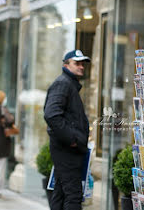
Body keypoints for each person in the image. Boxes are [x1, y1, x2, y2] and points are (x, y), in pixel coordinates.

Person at [43, 49, 90, 210]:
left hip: (67, 150)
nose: (81, 67)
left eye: (82, 63)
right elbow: (51, 115)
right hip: (66, 150)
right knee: (73, 195)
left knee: (61, 192)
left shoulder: (69, 84)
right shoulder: (63, 83)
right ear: (66, 65)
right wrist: (72, 140)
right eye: (77, 63)